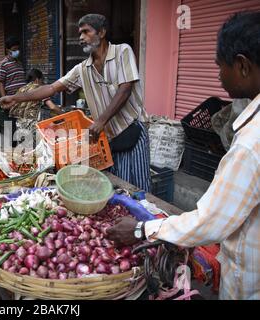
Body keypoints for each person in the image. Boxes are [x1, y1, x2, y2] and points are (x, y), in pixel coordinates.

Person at [106, 12, 260, 300]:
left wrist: (141, 229)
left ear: (242, 65)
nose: (218, 75)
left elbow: (210, 222)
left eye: (220, 66)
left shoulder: (251, 144)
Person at [0, 14, 150, 191]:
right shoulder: (82, 69)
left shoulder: (122, 52)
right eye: (79, 33)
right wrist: (15, 98)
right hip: (110, 138)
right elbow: (51, 89)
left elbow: (125, 89)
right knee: (120, 186)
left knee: (139, 187)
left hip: (132, 129)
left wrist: (100, 121)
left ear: (101, 32)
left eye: (86, 32)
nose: (81, 38)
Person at [9, 68, 62, 146]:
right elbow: (52, 107)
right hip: (32, 126)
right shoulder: (38, 89)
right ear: (37, 79)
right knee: (36, 152)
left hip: (19, 125)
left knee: (24, 151)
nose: (42, 83)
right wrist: (64, 114)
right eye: (42, 80)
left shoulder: (21, 89)